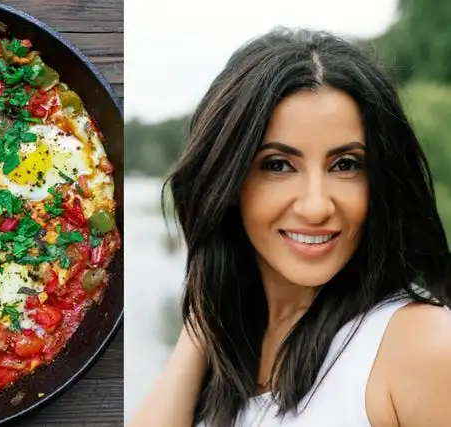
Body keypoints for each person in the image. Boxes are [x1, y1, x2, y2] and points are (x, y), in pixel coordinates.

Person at [130, 28, 451, 427]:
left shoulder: (423, 346)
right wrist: (205, 313)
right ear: (229, 184)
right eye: (278, 165)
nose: (316, 207)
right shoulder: (227, 346)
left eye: (346, 165)